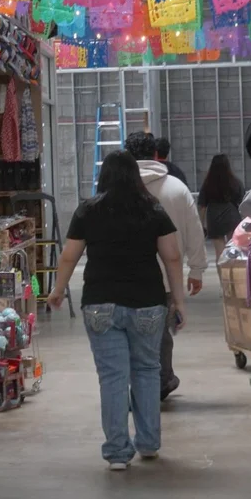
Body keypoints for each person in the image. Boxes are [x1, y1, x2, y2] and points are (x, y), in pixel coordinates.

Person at [49, 151, 187, 470]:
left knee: (112, 376)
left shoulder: (88, 210)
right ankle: (149, 443)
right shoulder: (152, 209)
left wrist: (58, 290)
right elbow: (173, 257)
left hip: (101, 303)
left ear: (104, 176)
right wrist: (178, 301)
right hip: (148, 304)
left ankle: (116, 453)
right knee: (147, 371)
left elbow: (69, 256)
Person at [125, 131, 208, 401]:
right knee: (160, 333)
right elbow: (194, 230)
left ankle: (138, 383)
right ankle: (161, 381)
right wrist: (196, 270)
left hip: (124, 278)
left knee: (130, 333)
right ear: (156, 155)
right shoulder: (177, 188)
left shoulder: (116, 189)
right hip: (165, 278)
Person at [198, 153, 245, 264]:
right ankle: (231, 276)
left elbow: (202, 206)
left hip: (214, 217)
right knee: (233, 248)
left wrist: (201, 225)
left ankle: (222, 280)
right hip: (231, 215)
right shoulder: (235, 182)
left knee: (219, 252)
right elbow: (242, 202)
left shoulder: (207, 183)